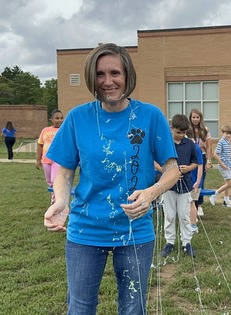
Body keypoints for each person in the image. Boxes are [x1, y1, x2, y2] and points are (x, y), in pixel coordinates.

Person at [43, 43, 180, 314]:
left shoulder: (150, 116)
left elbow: (172, 168)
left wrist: (152, 193)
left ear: (127, 74)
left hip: (135, 230)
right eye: (100, 74)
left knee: (132, 308)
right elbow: (65, 170)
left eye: (115, 73)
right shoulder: (77, 118)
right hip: (85, 230)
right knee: (80, 308)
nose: (108, 81)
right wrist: (61, 200)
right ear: (91, 78)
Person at [159, 114, 198, 258]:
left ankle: (186, 243)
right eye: (178, 132)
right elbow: (156, 162)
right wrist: (168, 172)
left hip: (185, 185)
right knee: (169, 215)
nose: (181, 135)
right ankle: (170, 242)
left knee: (184, 215)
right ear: (171, 128)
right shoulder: (165, 143)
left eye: (183, 133)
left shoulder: (190, 144)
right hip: (168, 186)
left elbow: (195, 161)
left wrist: (189, 168)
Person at [36, 110, 64, 204]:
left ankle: (57, 199)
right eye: (57, 118)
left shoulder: (64, 130)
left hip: (58, 160)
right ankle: (54, 197)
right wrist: (38, 160)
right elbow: (40, 145)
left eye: (61, 118)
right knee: (49, 181)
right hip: (46, 160)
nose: (59, 120)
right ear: (51, 119)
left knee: (54, 180)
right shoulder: (45, 130)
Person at [189, 109, 212, 216]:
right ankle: (192, 204)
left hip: (201, 157)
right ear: (190, 118)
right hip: (190, 158)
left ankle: (200, 205)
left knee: (200, 181)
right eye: (193, 117)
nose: (195, 119)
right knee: (191, 181)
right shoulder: (187, 130)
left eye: (197, 117)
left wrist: (208, 160)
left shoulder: (205, 130)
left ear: (200, 118)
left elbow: (208, 146)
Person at [209, 125, 231, 207]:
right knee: (229, 184)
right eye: (226, 133)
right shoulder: (221, 142)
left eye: (229, 133)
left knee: (227, 183)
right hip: (223, 166)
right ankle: (215, 194)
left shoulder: (227, 141)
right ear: (223, 133)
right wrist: (222, 164)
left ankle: (226, 200)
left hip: (229, 165)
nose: (228, 135)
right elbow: (215, 154)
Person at [187, 128, 205, 227]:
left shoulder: (195, 148)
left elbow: (200, 165)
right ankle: (193, 221)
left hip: (194, 181)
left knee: (191, 202)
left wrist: (198, 181)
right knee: (189, 202)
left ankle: (193, 225)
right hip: (190, 180)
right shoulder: (190, 147)